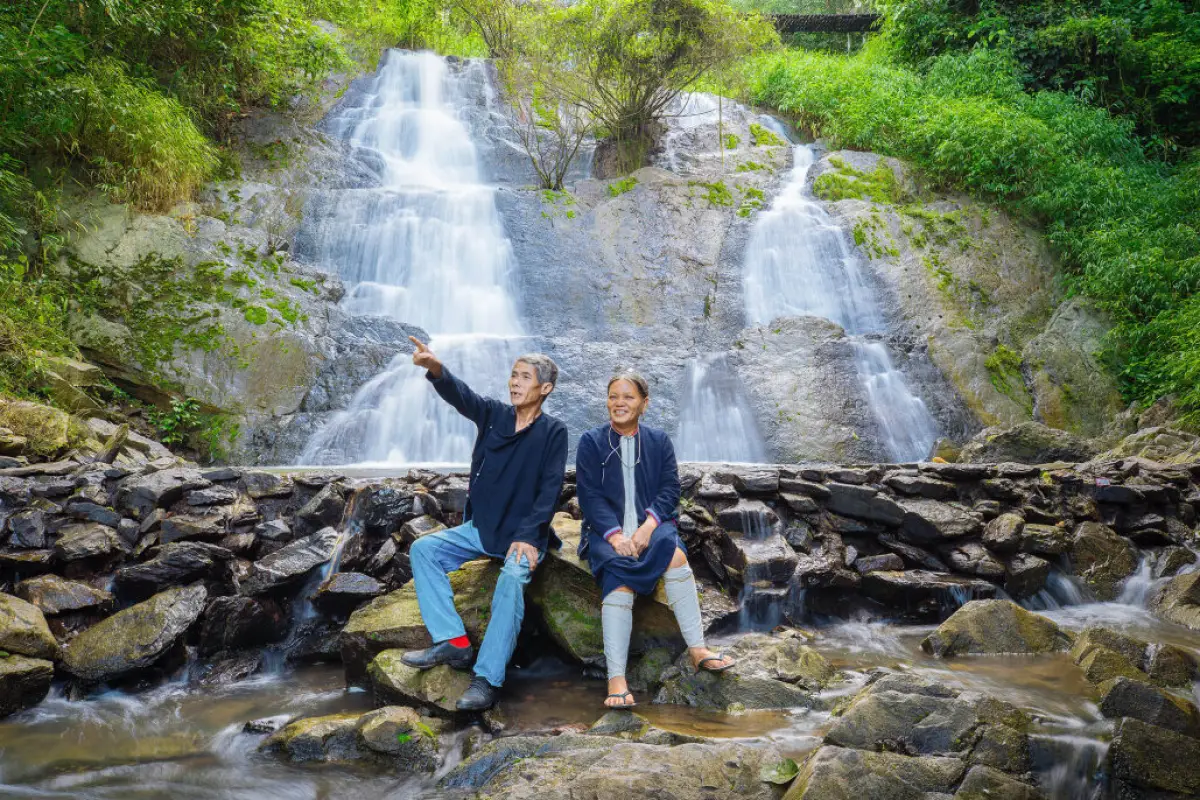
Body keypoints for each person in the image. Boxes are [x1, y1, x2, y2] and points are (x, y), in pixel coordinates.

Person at [401, 337, 568, 711]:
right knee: (424, 548)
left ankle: (487, 678)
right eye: (513, 375)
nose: (514, 383)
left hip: (523, 536)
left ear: (545, 388)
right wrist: (435, 368)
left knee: (510, 580)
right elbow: (462, 396)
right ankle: (454, 641)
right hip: (482, 529)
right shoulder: (493, 414)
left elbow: (550, 488)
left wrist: (529, 536)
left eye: (524, 377)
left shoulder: (554, 432)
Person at [575, 371, 734, 709]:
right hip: (607, 531)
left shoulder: (659, 440)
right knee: (618, 579)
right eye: (613, 396)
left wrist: (648, 527)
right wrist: (616, 536)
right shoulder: (591, 442)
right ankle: (616, 678)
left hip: (651, 524)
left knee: (675, 556)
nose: (619, 403)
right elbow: (589, 496)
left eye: (628, 397)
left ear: (644, 404)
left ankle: (697, 649)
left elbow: (669, 489)